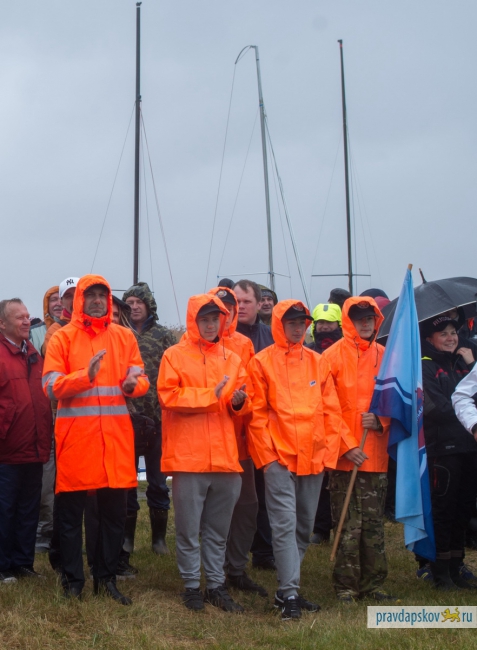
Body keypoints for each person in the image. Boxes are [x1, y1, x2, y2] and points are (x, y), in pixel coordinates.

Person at [42, 275, 149, 604]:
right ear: (80, 300)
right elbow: (50, 386)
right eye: (92, 295)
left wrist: (133, 385)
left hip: (114, 444)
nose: (98, 300)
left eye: (103, 295)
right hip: (77, 443)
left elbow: (140, 378)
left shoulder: (124, 337)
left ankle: (106, 579)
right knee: (71, 517)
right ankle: (73, 581)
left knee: (113, 516)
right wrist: (84, 377)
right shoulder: (63, 338)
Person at [247, 300, 349, 620]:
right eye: (291, 322)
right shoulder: (261, 362)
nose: (297, 327)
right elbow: (256, 416)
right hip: (279, 457)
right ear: (279, 325)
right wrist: (267, 459)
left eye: (302, 323)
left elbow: (332, 411)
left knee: (304, 527)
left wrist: (328, 454)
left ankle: (285, 590)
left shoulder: (318, 362)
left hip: (313, 458)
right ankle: (289, 592)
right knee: (284, 525)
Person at [157, 294, 251, 613]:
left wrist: (238, 402)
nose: (211, 325)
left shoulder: (233, 358)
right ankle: (190, 586)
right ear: (193, 321)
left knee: (217, 531)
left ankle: (215, 585)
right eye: (205, 319)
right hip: (188, 458)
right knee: (188, 529)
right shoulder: (174, 355)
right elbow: (168, 396)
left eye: (215, 319)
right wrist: (211, 396)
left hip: (225, 458)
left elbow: (242, 403)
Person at [323, 297, 395, 603]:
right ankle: (346, 587)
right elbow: (325, 407)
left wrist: (381, 422)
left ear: (376, 320)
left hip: (376, 455)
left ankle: (372, 585)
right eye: (359, 319)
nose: (365, 324)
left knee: (374, 524)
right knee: (348, 524)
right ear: (348, 322)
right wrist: (346, 445)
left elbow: (398, 399)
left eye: (369, 318)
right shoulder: (331, 357)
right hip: (345, 459)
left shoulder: (387, 357)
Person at [208, 286, 267, 598]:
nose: (227, 312)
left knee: (247, 507)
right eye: (221, 308)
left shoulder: (245, 344)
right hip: (207, 444)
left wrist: (241, 404)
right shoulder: (191, 344)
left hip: (240, 443)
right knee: (213, 510)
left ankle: (237, 569)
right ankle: (213, 572)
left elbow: (253, 391)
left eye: (231, 307)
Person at [417, 315, 477, 590]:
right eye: (443, 334)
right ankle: (439, 571)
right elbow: (435, 408)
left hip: (469, 447)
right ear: (430, 339)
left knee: (463, 509)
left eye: (453, 332)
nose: (451, 338)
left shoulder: (463, 363)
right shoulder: (424, 367)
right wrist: (465, 409)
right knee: (443, 510)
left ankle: (456, 565)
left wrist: (472, 366)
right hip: (442, 450)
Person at [0, 299, 52, 583]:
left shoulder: (33, 353)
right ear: (2, 323)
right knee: (5, 510)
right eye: (19, 317)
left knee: (28, 509)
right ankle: (3, 566)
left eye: (27, 316)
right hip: (7, 450)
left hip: (34, 447)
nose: (25, 321)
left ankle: (22, 563)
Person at [122, 282, 176, 556]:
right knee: (127, 481)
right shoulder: (119, 335)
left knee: (158, 481)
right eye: (129, 303)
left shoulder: (164, 336)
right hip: (126, 419)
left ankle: (159, 540)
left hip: (158, 419)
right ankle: (127, 538)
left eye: (138, 302)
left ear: (149, 305)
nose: (134, 307)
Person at [234, 279, 275, 571]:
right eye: (236, 301)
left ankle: (264, 550)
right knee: (234, 495)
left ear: (259, 304)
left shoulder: (271, 337)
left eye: (246, 301)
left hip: (263, 428)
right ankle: (232, 550)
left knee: (264, 491)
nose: (240, 307)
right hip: (232, 427)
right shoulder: (224, 338)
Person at [42, 277, 79, 355]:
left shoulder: (98, 325)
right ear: (62, 302)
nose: (74, 300)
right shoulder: (54, 331)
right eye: (69, 297)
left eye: (77, 294)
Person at [29, 286, 61, 355]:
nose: (59, 303)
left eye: (62, 299)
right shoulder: (32, 333)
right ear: (47, 304)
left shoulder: (79, 329)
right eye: (54, 300)